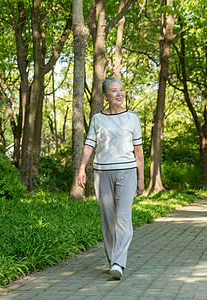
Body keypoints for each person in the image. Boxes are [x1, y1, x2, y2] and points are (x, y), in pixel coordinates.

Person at [77, 77, 144, 280]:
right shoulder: (98, 118)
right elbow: (89, 145)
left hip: (127, 172)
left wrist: (141, 178)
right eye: (114, 91)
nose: (119, 94)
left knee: (123, 218)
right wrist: (81, 168)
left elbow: (138, 150)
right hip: (102, 172)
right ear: (105, 96)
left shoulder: (133, 118)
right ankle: (113, 260)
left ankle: (118, 263)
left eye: (121, 90)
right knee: (108, 219)